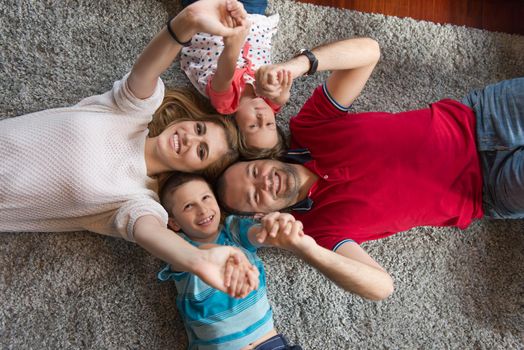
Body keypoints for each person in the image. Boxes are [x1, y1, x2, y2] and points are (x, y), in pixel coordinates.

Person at [216, 36, 524, 300]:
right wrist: (303, 248)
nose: (265, 184)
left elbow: (368, 52)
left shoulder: (308, 128)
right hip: (491, 186)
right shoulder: (317, 231)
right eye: (256, 197)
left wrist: (294, 67)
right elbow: (381, 287)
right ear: (263, 214)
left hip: (482, 115)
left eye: (254, 173)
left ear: (263, 158)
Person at [0, 0, 260, 297]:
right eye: (199, 129)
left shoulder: (139, 201)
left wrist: (199, 260)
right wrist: (189, 19)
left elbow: (150, 234)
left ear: (192, 173)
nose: (190, 139)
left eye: (201, 152)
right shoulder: (133, 111)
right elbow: (148, 67)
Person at [158, 172, 305, 349]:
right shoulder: (181, 248)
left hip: (269, 341)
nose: (203, 210)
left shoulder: (233, 231)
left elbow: (259, 235)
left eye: (206, 198)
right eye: (189, 206)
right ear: (174, 224)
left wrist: (275, 228)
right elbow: (179, 254)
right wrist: (212, 253)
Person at [179, 1, 291, 159]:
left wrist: (233, 45)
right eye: (269, 124)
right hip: (250, 17)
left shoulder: (226, 104)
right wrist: (282, 90)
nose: (262, 117)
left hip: (212, 22)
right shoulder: (268, 100)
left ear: (235, 126)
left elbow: (224, 73)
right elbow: (281, 99)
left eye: (253, 126)